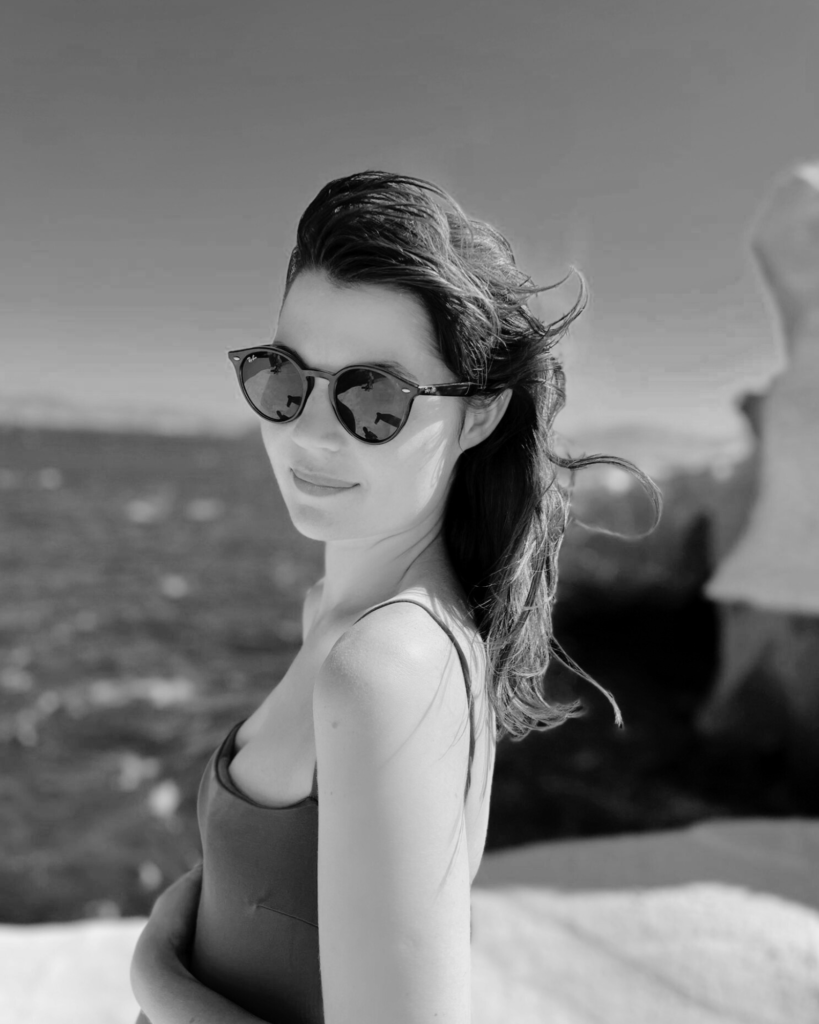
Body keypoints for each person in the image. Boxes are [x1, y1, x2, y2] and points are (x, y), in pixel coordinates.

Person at [130, 170, 661, 1024]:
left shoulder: (385, 665)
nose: (305, 429)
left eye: (372, 398)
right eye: (282, 378)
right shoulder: (343, 624)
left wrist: (156, 975)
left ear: (479, 416)